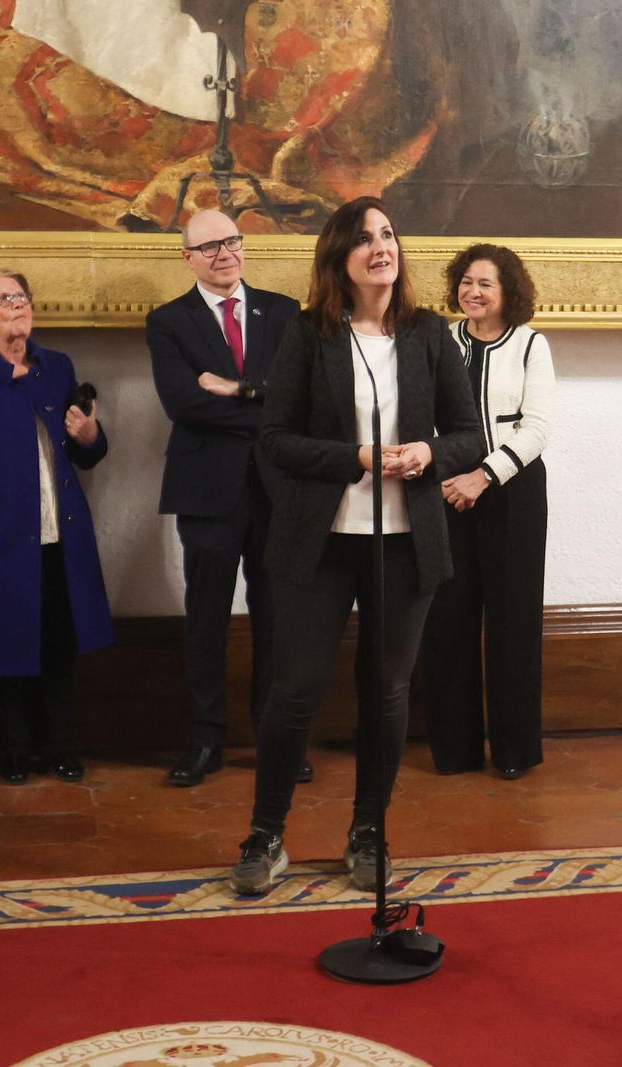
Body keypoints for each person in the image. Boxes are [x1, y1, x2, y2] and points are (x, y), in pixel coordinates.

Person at [228, 196, 483, 896]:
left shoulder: (430, 334)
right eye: (365, 238)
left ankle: (369, 831)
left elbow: (470, 434)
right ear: (339, 257)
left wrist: (425, 453)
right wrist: (359, 457)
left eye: (389, 234)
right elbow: (275, 438)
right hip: (321, 541)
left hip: (405, 543)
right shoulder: (310, 334)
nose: (382, 247)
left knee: (388, 691)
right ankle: (266, 833)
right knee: (296, 689)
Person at [145, 209, 303, 788]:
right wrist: (259, 408)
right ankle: (207, 740)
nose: (224, 254)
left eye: (231, 241)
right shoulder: (168, 322)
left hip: (275, 489)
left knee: (275, 620)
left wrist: (237, 389)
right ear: (187, 258)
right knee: (207, 621)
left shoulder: (283, 313)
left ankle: (275, 740)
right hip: (206, 491)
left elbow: (296, 400)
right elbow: (183, 405)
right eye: (208, 247)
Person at [0, 268, 113, 785]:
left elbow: (88, 453)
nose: (18, 305)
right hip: (3, 537)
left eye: (23, 296)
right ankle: (12, 751)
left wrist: (90, 434)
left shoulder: (56, 368)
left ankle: (58, 746)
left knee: (58, 644)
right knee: (5, 644)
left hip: (62, 533)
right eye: (5, 298)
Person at [422, 245, 557, 780]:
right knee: (447, 620)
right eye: (466, 281)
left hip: (513, 493)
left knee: (512, 619)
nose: (472, 292)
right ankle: (454, 751)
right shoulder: (438, 340)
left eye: (486, 284)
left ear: (508, 294)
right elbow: (423, 414)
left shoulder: (530, 346)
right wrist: (449, 473)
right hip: (448, 490)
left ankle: (514, 751)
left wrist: (485, 475)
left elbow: (538, 428)